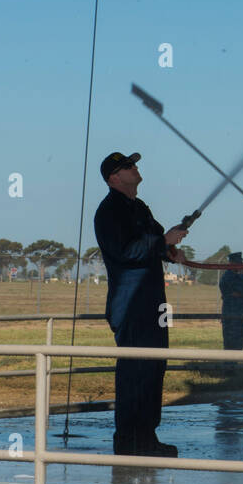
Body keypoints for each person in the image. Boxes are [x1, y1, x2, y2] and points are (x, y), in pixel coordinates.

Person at [93, 151, 187, 458]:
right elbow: (124, 250)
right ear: (114, 178)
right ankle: (129, 442)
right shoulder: (109, 211)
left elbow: (154, 240)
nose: (136, 169)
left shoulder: (139, 207)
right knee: (135, 372)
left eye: (134, 165)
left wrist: (168, 250)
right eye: (128, 167)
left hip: (154, 304)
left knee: (154, 367)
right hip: (131, 304)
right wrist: (163, 243)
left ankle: (147, 437)